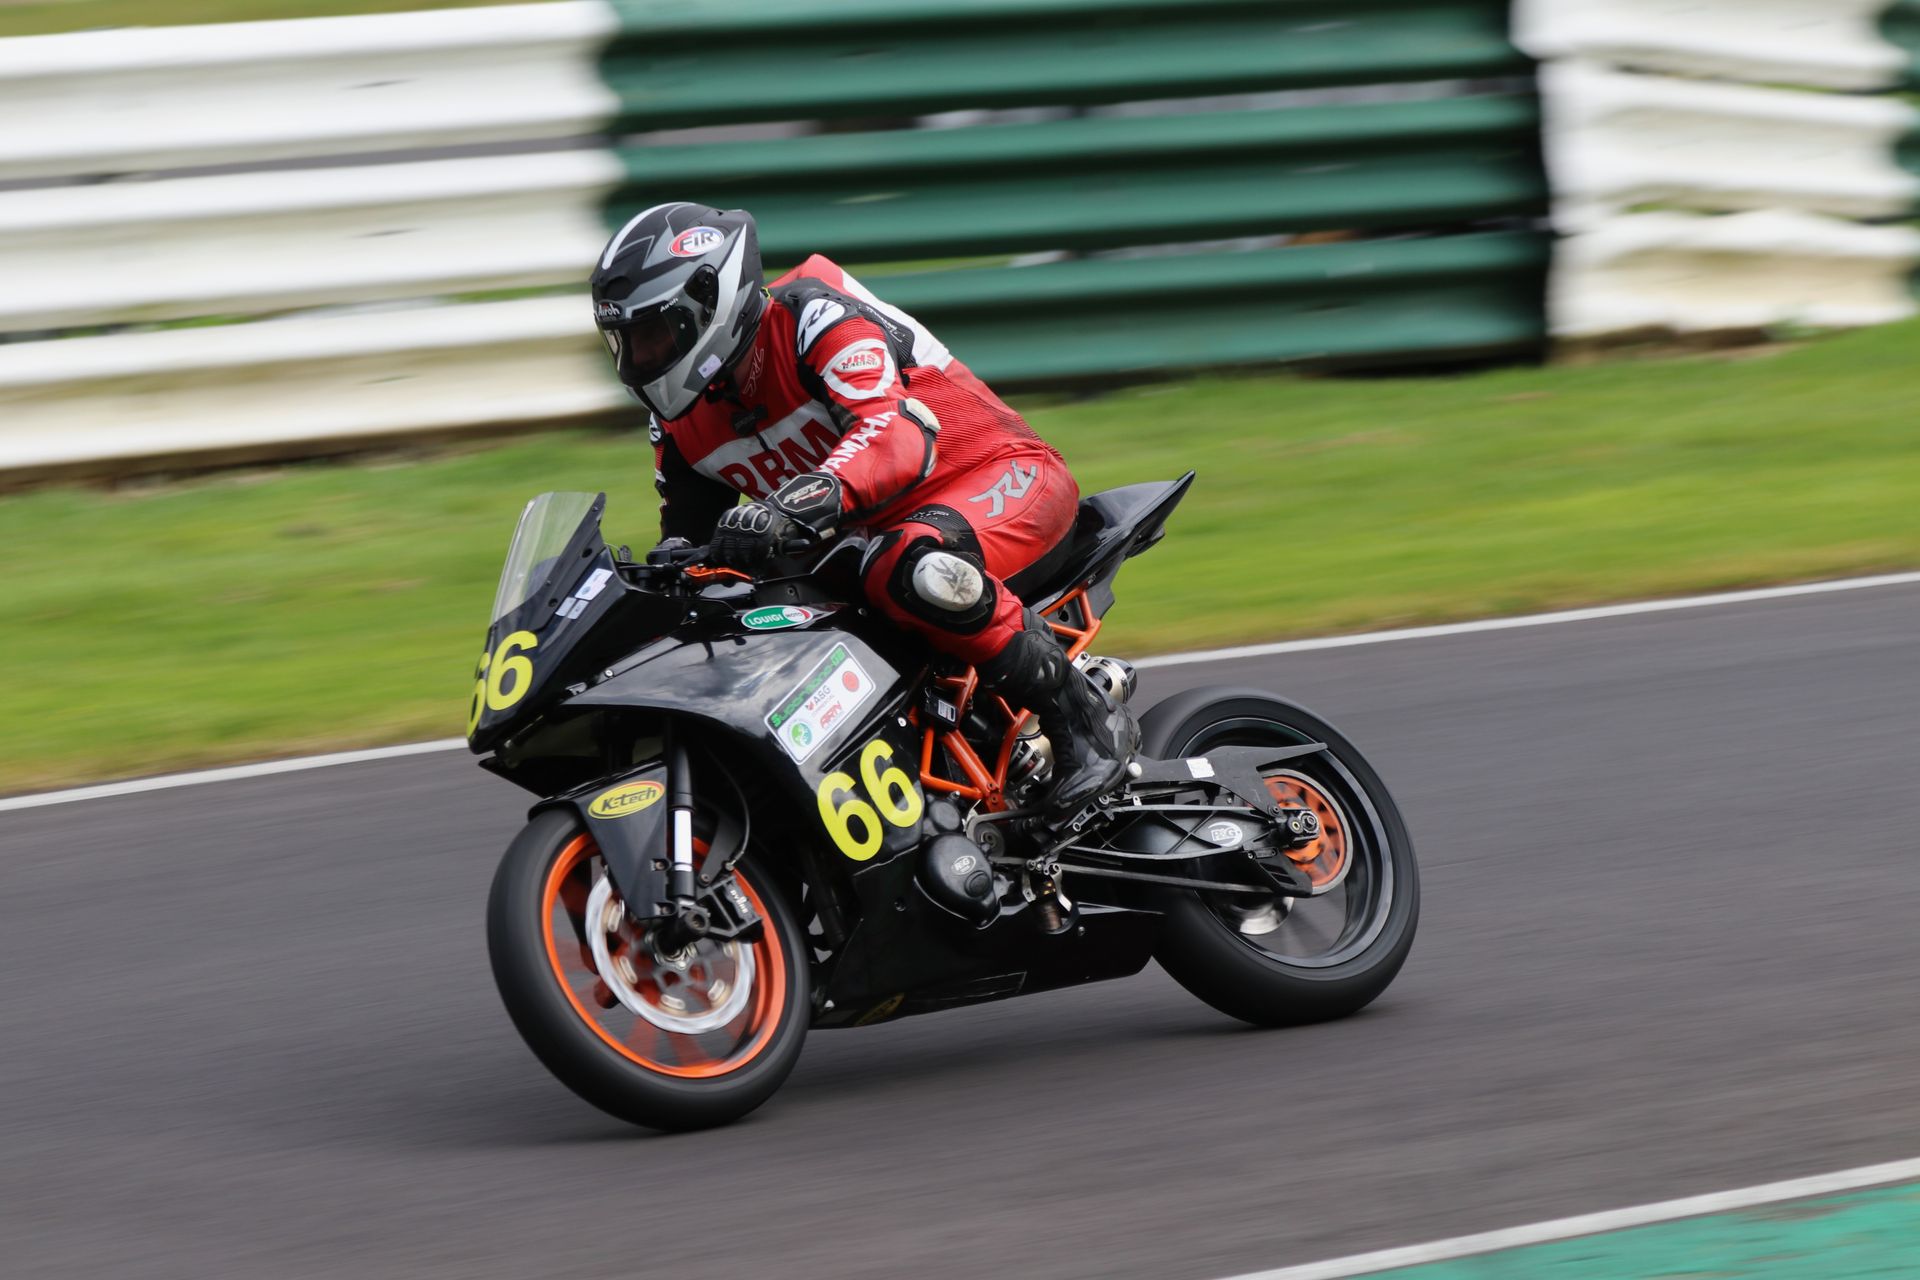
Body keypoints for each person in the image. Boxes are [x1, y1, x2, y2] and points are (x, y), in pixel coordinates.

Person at [590, 202, 1134, 816]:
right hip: (866, 540)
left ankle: (1085, 720)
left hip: (1003, 478)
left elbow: (896, 434)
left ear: (708, 304)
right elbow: (689, 547)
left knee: (909, 562)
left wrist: (789, 507)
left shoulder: (812, 317)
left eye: (654, 334)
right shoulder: (678, 417)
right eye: (627, 342)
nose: (640, 359)